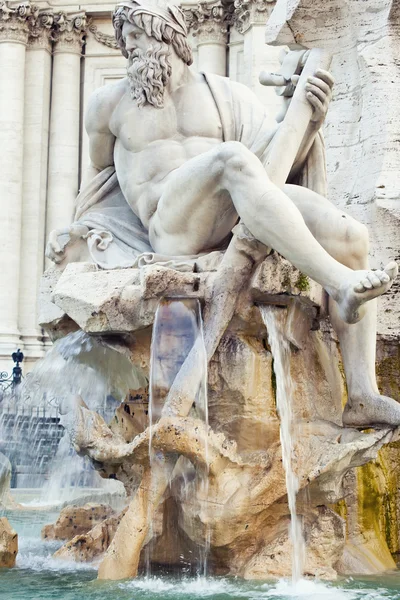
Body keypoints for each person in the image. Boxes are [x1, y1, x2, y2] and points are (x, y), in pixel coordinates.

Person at [46, 0, 399, 427]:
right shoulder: (108, 105)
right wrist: (89, 232)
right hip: (169, 226)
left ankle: (361, 394)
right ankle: (339, 283)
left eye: (137, 36)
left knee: (351, 237)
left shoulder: (224, 95)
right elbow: (101, 179)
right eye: (124, 41)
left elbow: (273, 166)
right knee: (230, 157)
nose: (129, 49)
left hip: (233, 215)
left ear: (168, 36)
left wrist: (309, 120)